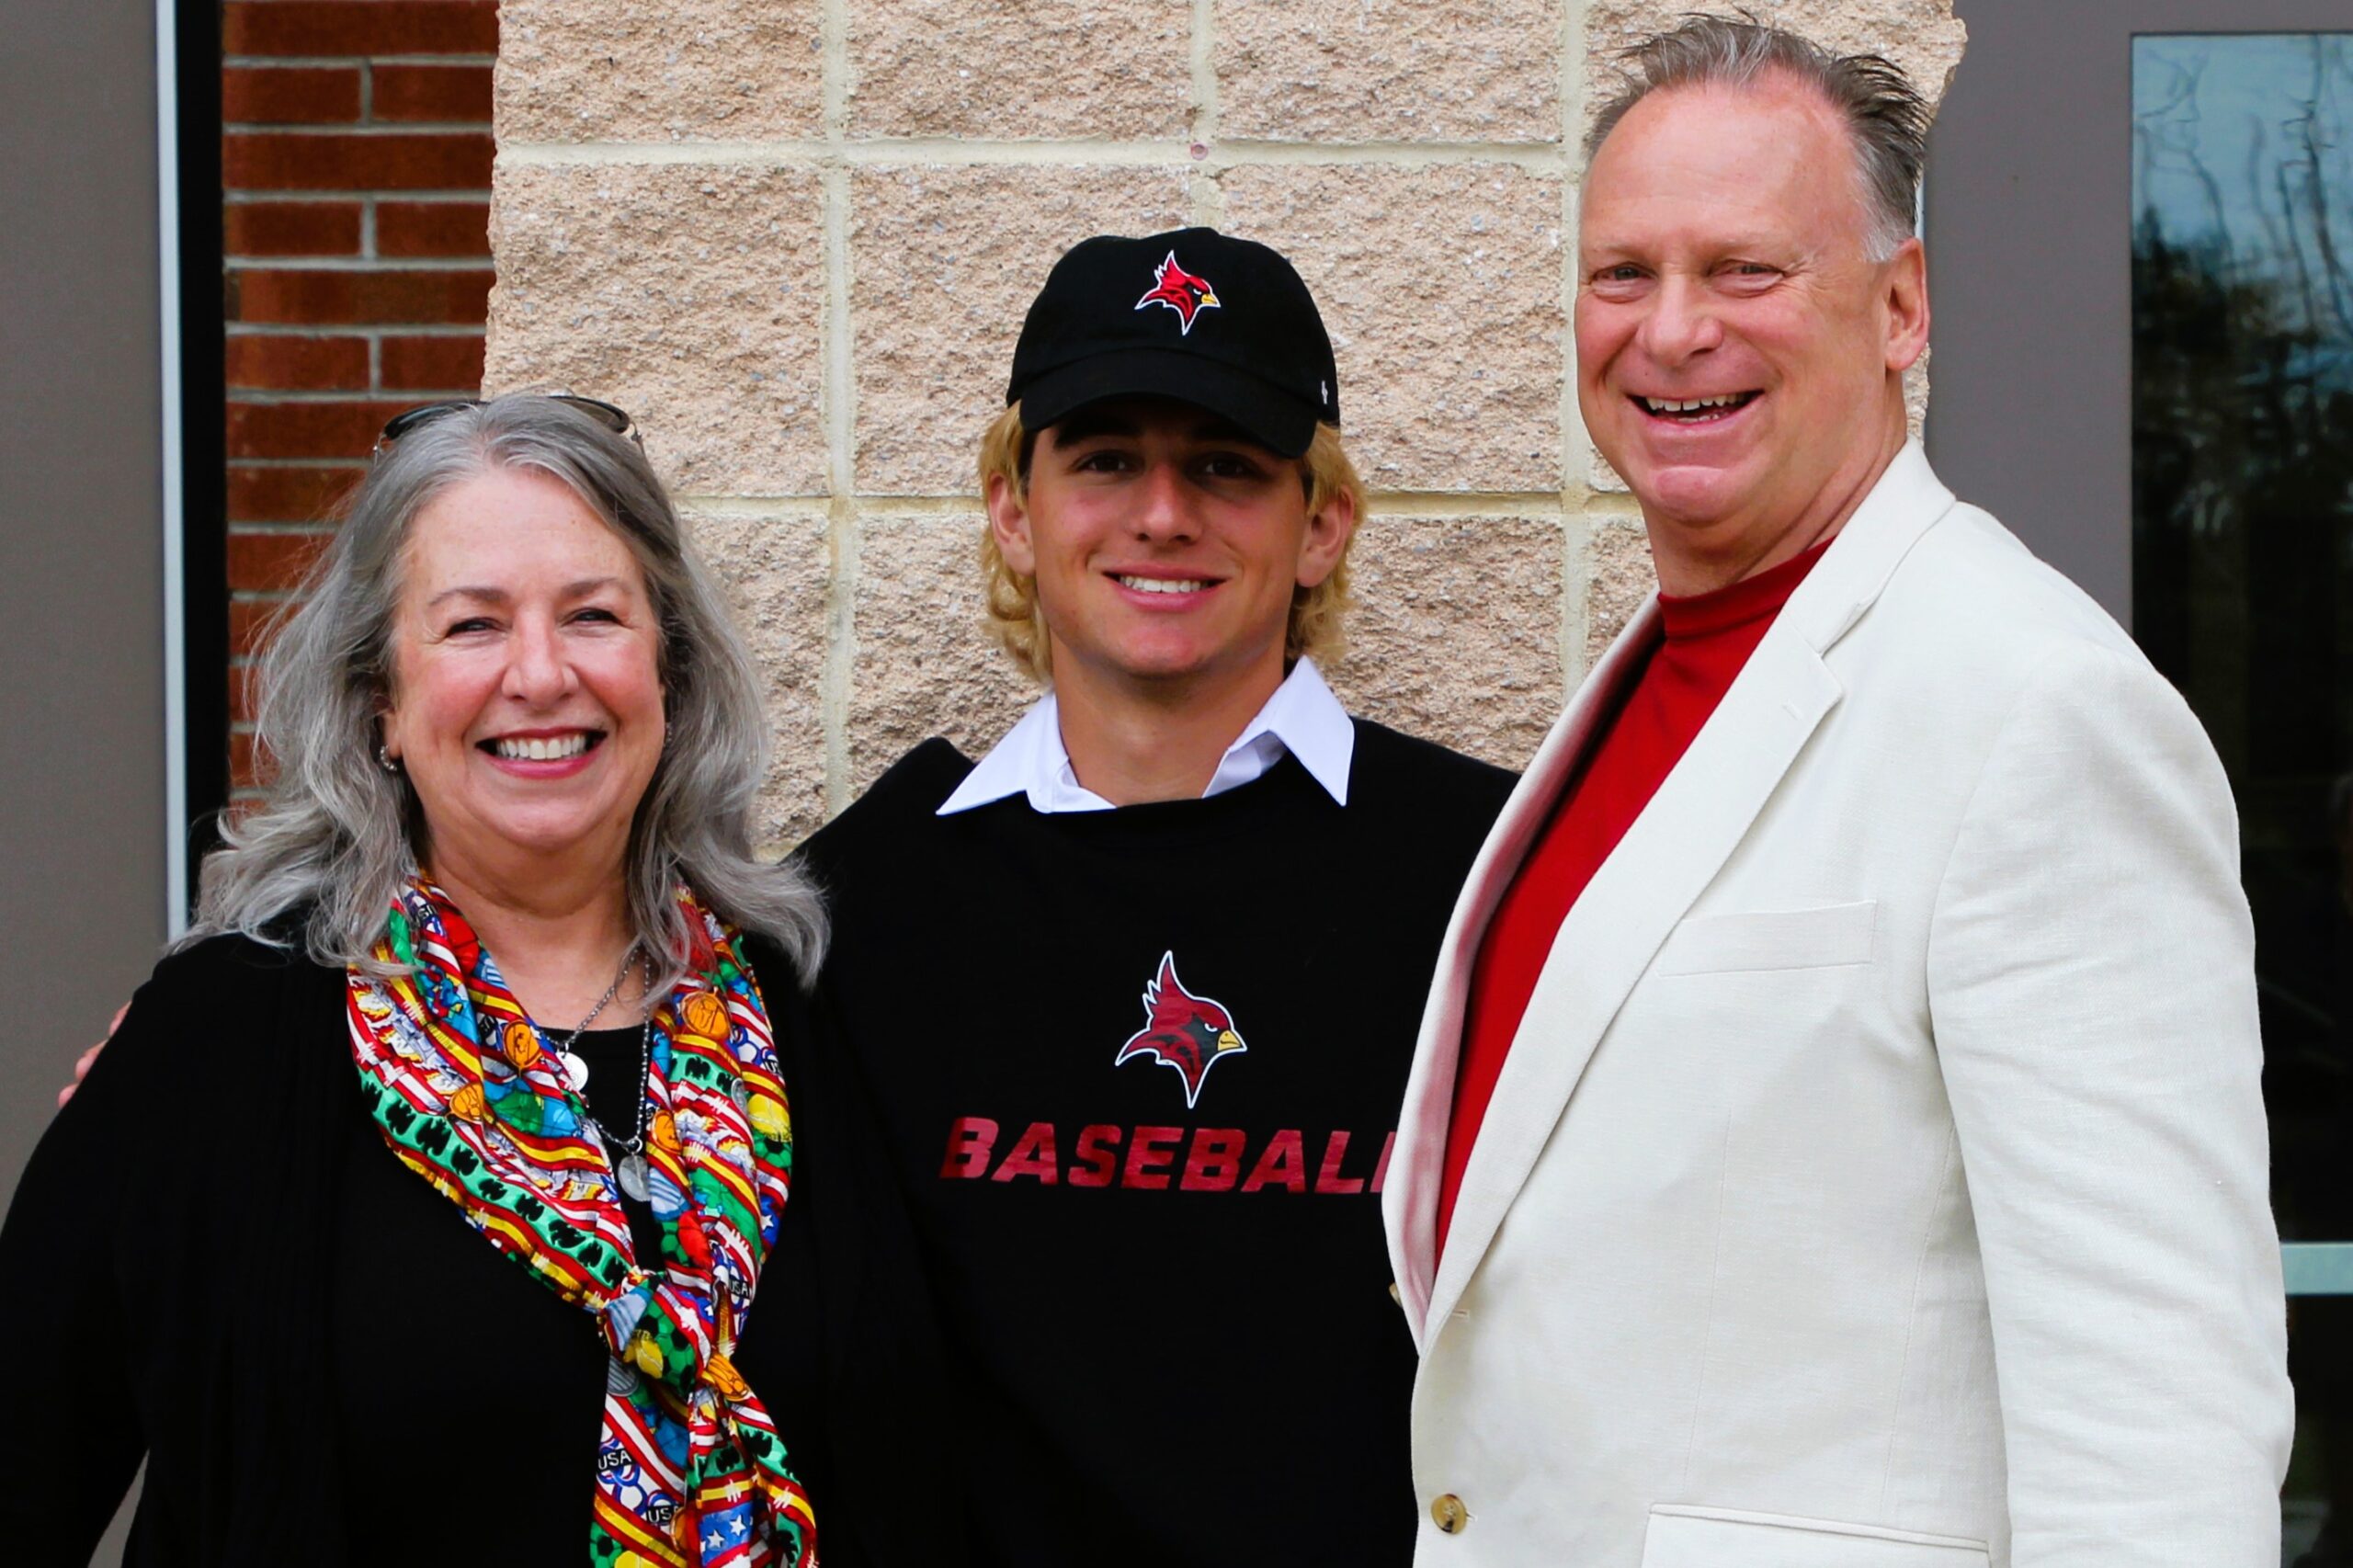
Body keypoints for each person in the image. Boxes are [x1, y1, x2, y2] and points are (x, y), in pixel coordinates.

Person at [1381, 17, 2294, 1564]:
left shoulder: (2035, 710)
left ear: (1899, 307)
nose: (1672, 332)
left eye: (1747, 270)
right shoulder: (1651, 688)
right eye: (1625, 273)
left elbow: (2162, 1435)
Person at [784, 228, 1516, 1564]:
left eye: (1226, 465)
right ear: (1016, 508)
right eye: (1106, 457)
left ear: (1322, 521)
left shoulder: (1489, 872)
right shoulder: (858, 908)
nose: (1163, 513)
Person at [0, 394, 831, 1566]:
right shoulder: (220, 1044)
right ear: (380, 701)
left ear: (671, 675)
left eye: (593, 614)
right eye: (471, 626)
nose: (540, 676)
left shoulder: (806, 1018)